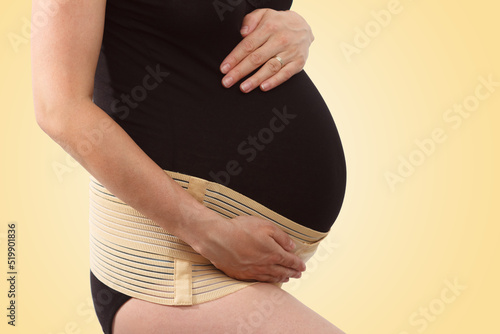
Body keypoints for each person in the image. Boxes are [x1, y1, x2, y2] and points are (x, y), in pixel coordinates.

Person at [31, 0, 347, 333]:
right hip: (172, 269)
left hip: (226, 263)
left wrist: (297, 29)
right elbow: (60, 110)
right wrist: (207, 232)